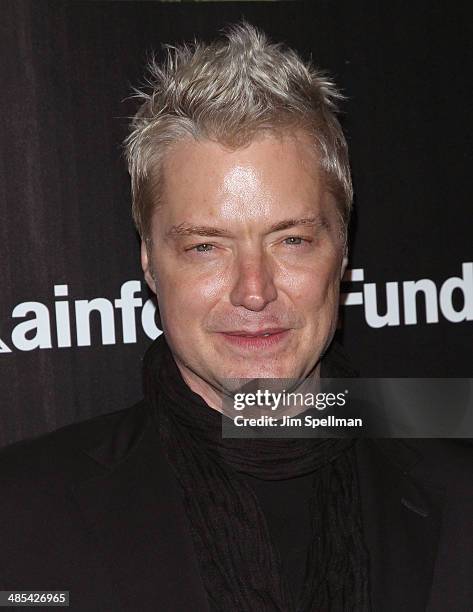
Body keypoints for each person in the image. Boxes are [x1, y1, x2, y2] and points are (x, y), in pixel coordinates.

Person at [0, 22, 472, 612]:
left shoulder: (459, 493)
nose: (255, 291)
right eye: (206, 246)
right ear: (149, 262)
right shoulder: (21, 514)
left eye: (292, 240)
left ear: (343, 252)